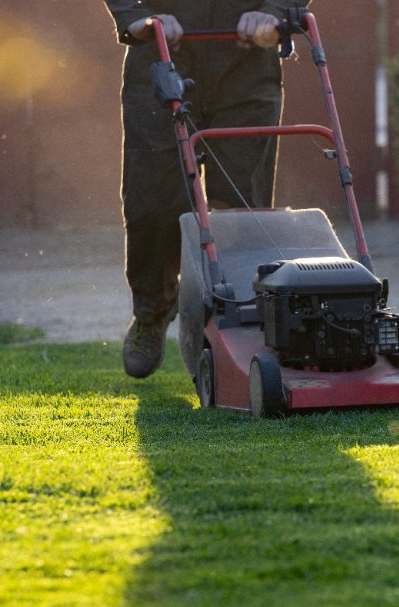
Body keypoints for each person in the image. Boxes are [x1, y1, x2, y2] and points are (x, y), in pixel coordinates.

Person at [106, 1, 310, 378]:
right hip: (161, 58)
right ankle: (152, 313)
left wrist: (277, 9)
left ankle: (241, 323)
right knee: (152, 201)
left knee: (239, 207)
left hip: (247, 63)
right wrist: (134, 15)